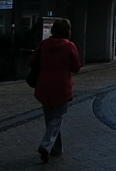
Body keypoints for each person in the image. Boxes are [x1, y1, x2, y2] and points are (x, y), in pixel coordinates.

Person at [28, 18, 82, 163]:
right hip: (61, 85)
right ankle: (46, 146)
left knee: (50, 118)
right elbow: (76, 67)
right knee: (57, 118)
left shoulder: (44, 44)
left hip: (43, 84)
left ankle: (56, 149)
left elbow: (31, 61)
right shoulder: (69, 46)